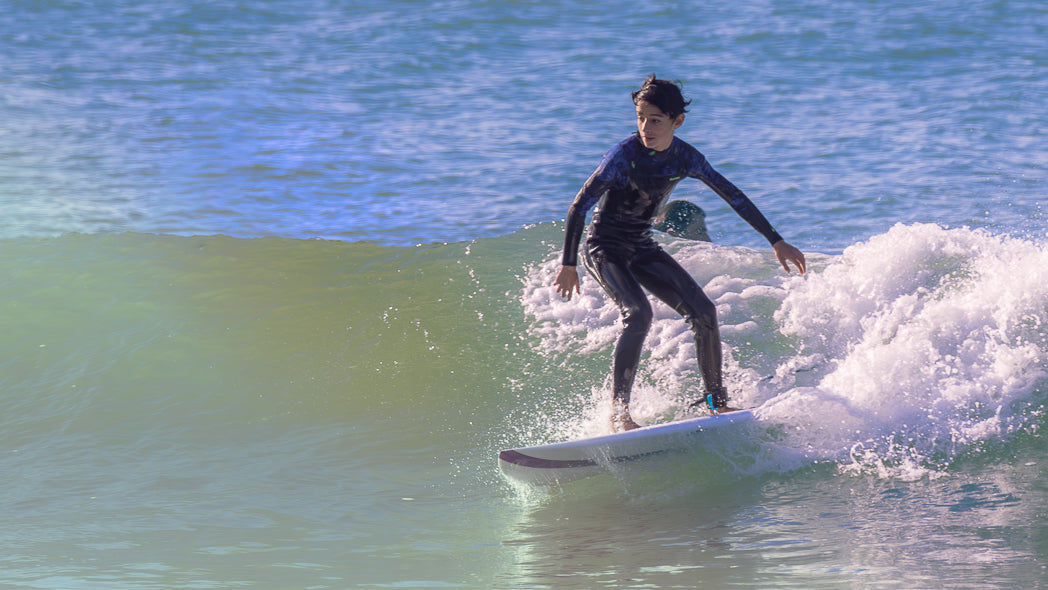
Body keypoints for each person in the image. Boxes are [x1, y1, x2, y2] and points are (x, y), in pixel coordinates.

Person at [554, 74, 806, 432]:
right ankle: (619, 413)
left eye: (655, 120)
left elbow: (733, 195)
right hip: (604, 246)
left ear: (677, 121)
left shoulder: (686, 157)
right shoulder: (624, 156)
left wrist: (776, 240)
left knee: (704, 312)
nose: (646, 127)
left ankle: (716, 403)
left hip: (641, 245)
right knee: (638, 314)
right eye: (640, 118)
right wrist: (569, 264)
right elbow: (579, 205)